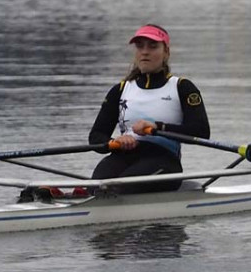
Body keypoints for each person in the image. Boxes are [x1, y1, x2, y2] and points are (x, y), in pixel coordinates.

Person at [88, 24, 210, 193]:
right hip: (124, 156)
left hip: (164, 161)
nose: (145, 51)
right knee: (94, 187)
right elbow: (95, 137)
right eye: (140, 46)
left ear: (166, 52)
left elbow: (202, 132)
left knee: (114, 189)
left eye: (153, 46)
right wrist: (114, 143)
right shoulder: (121, 90)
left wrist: (157, 127)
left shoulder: (182, 87)